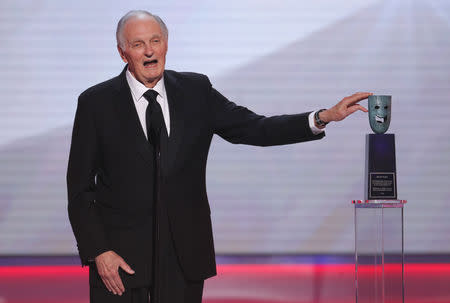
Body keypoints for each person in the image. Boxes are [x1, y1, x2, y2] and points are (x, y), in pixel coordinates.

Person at [67, 10, 370, 303]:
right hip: (119, 261)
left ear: (167, 44)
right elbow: (79, 188)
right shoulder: (97, 103)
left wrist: (322, 117)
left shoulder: (195, 91)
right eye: (138, 44)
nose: (149, 51)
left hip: (183, 257)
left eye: (156, 41)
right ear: (123, 53)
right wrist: (99, 251)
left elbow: (255, 128)